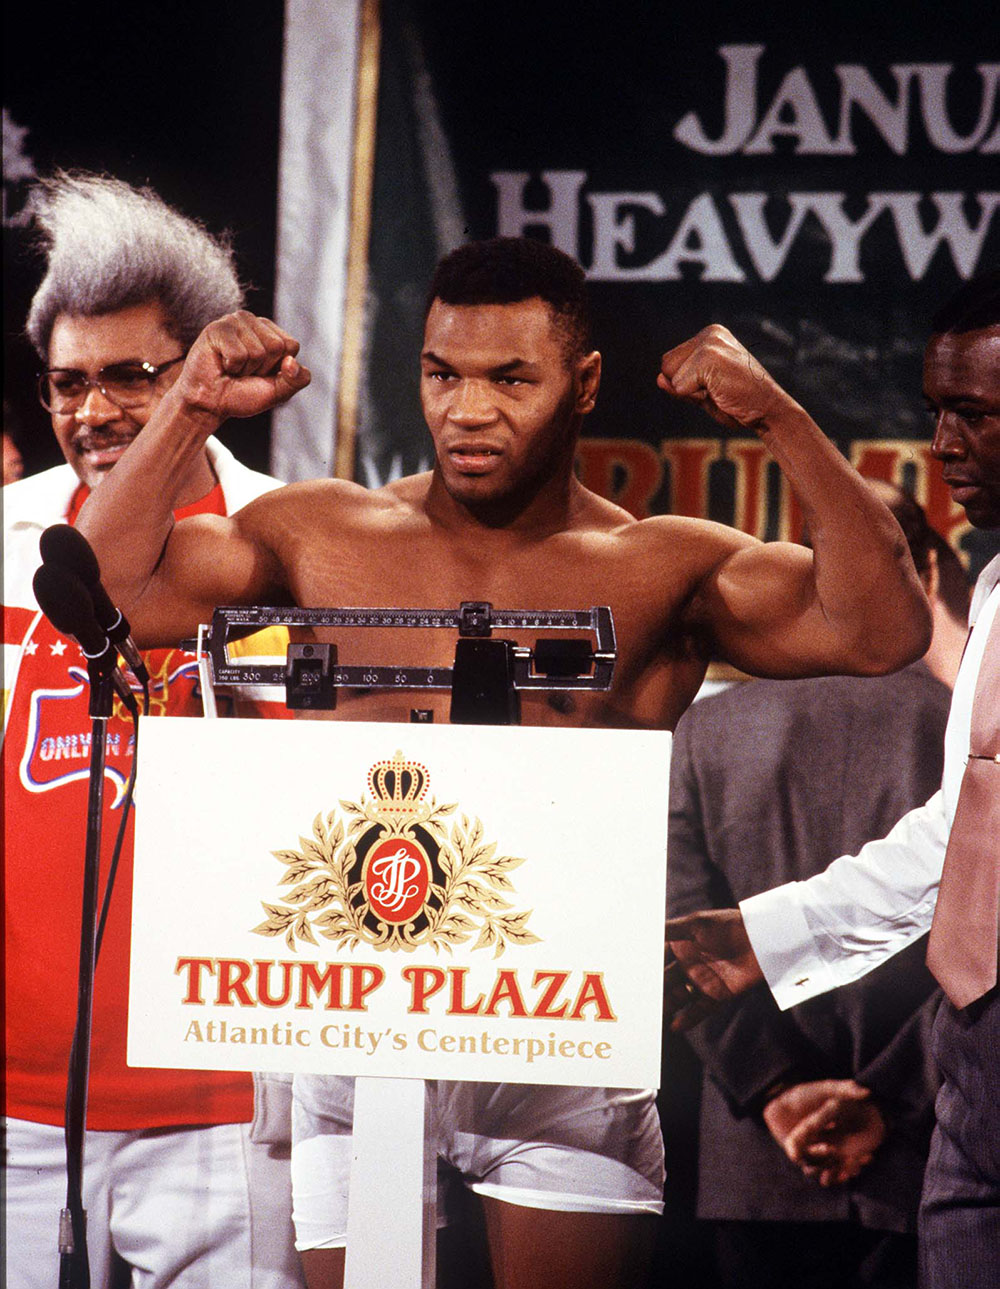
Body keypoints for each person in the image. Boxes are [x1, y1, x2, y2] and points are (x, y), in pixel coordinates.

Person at [76, 236, 932, 1289]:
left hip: (561, 1030)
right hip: (350, 1015)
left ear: (582, 385)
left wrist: (780, 419)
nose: (467, 409)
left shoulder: (662, 562)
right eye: (443, 373)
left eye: (508, 378)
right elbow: (105, 597)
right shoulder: (319, 530)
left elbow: (878, 628)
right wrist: (191, 404)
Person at [664, 269, 1000, 1289]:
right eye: (934, 411)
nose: (943, 443)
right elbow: (964, 836)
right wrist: (763, 936)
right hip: (960, 1089)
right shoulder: (992, 593)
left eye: (975, 414)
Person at [3, 173, 304, 1289]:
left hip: (227, 1100)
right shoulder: (4, 539)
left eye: (133, 378)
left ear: (202, 376)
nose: (94, 412)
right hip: (16, 1102)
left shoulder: (287, 540)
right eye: (68, 382)